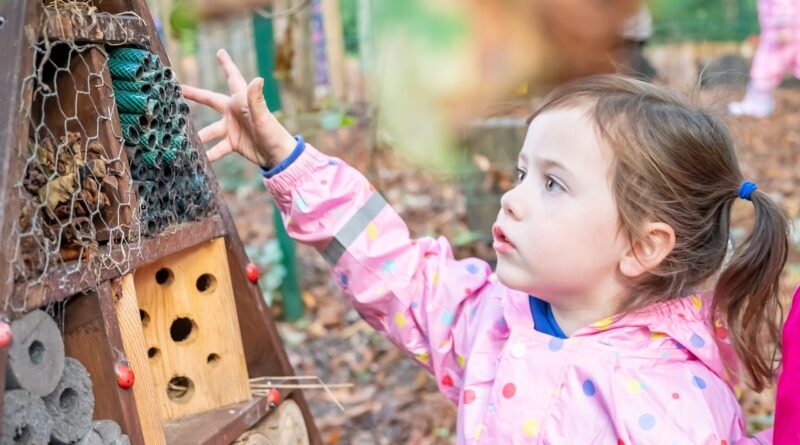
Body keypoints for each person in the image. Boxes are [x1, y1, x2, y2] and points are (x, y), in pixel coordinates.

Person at [183, 50, 798, 444]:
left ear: (642, 246)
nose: (513, 199)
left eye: (553, 183)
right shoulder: (490, 316)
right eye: (521, 173)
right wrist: (286, 159)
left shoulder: (672, 408)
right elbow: (392, 267)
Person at [729, 0, 800, 118]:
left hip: (780, 35)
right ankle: (759, 103)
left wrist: (784, 24)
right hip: (788, 31)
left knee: (763, 69)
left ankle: (758, 104)